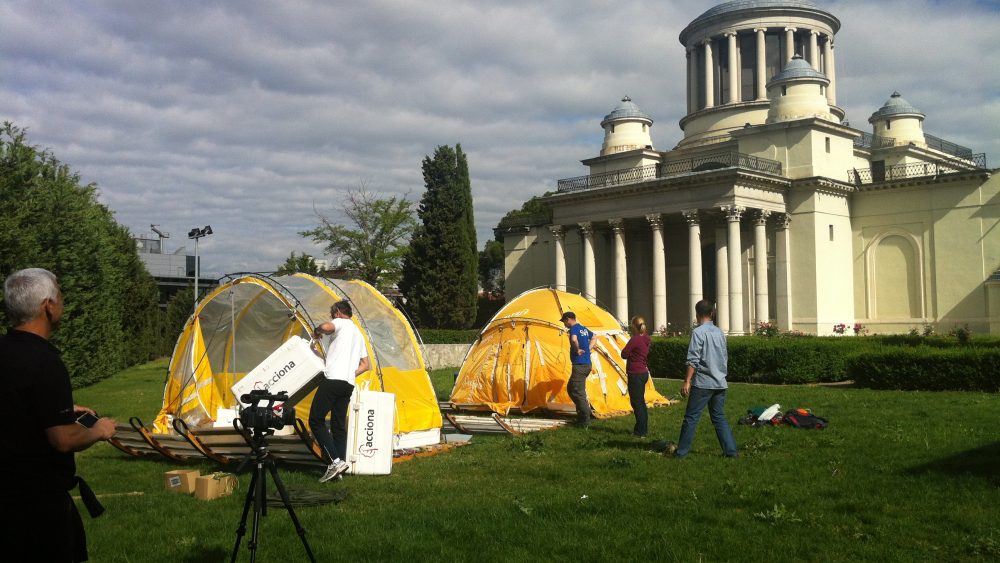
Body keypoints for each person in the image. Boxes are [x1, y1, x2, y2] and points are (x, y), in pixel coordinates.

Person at [1, 268, 117, 562]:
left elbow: (15, 401)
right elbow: (63, 439)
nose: (63, 301)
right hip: (37, 508)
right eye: (60, 294)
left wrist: (57, 408)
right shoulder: (45, 361)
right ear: (47, 307)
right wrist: (99, 430)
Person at [309, 300, 370, 482]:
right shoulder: (358, 334)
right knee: (337, 425)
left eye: (332, 313)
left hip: (333, 380)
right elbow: (366, 365)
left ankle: (335, 462)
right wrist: (350, 373)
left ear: (337, 312)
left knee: (315, 420)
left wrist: (317, 331)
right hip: (347, 383)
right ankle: (340, 466)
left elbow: (326, 326)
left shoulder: (340, 323)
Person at [674, 300, 738, 458]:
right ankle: (731, 451)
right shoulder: (719, 332)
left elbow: (692, 359)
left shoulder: (698, 333)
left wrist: (687, 381)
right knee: (719, 417)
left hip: (703, 383)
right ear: (711, 314)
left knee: (691, 418)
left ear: (697, 315)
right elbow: (724, 357)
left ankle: (681, 452)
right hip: (720, 382)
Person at [560, 311, 593, 427]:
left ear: (568, 319)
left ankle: (585, 420)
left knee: (577, 392)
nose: (564, 324)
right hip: (586, 365)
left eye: (564, 321)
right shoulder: (583, 329)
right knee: (571, 389)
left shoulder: (573, 329)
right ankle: (585, 413)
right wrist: (589, 349)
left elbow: (574, 340)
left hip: (580, 365)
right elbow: (594, 337)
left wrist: (577, 349)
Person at [621, 315, 651, 437]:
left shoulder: (635, 339)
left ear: (634, 326)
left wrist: (630, 354)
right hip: (643, 372)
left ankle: (640, 431)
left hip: (635, 373)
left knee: (636, 403)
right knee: (641, 402)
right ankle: (642, 428)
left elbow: (624, 353)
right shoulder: (647, 338)